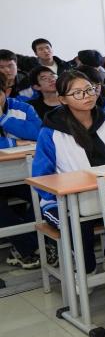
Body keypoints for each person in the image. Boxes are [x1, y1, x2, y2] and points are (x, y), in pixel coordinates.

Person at [33, 70, 105, 272]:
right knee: (74, 224)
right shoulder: (51, 132)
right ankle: (85, 269)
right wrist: (65, 194)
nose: (87, 96)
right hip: (64, 202)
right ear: (63, 99)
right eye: (77, 93)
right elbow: (42, 177)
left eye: (89, 89)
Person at [0, 84, 43, 268]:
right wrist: (14, 143)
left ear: (6, 92)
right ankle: (28, 247)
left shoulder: (23, 108)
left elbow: (38, 133)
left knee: (44, 196)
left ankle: (23, 247)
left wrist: (3, 119)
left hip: (21, 175)